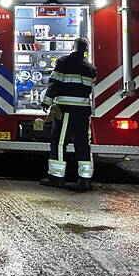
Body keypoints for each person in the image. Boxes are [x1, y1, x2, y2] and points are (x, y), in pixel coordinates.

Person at [39, 37, 97, 191]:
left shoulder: (63, 62)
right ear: (85, 49)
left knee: (59, 142)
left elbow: (54, 84)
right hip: (84, 111)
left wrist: (46, 101)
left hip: (66, 109)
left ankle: (56, 177)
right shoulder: (91, 68)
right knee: (83, 143)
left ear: (73, 46)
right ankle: (85, 179)